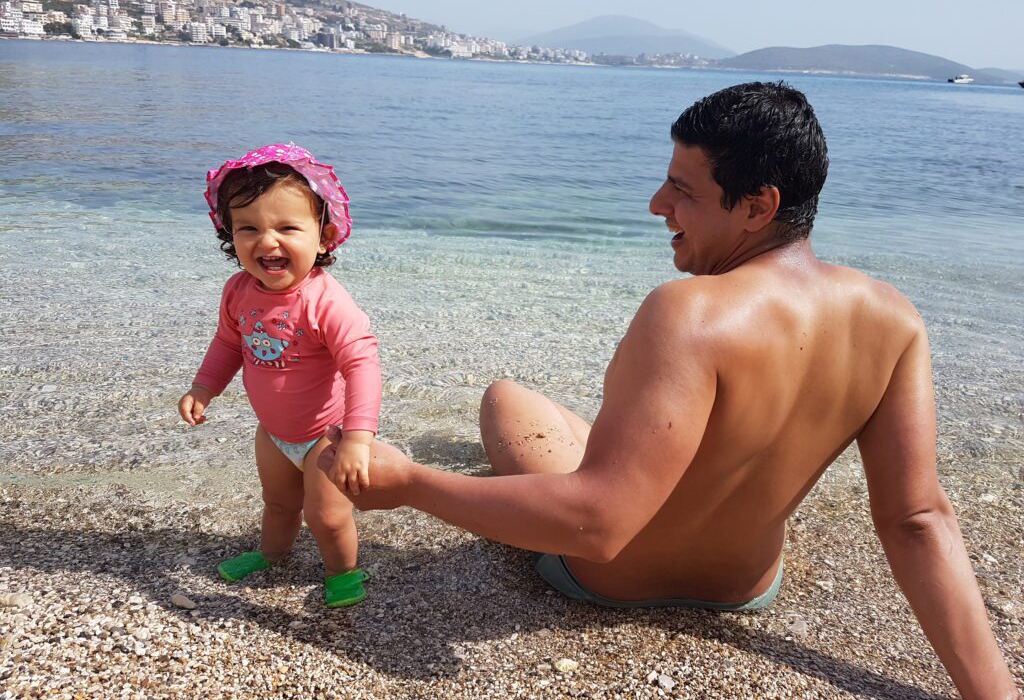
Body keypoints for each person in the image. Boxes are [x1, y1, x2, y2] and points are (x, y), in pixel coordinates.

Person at [321, 82, 1019, 697]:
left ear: (758, 206)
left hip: (607, 579)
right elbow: (917, 518)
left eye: (682, 190)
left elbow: (598, 526)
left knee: (507, 398)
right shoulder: (894, 320)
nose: (657, 205)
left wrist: (411, 484)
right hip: (747, 587)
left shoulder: (689, 312)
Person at [179, 143, 381, 608]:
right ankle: (272, 555)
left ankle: (342, 571)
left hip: (327, 436)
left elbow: (362, 364)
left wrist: (357, 439)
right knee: (278, 503)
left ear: (324, 236)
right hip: (273, 432)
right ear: (229, 234)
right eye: (248, 228)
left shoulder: (325, 301)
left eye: (287, 228)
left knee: (327, 516)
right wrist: (203, 387)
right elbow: (228, 344)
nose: (267, 242)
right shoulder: (238, 291)